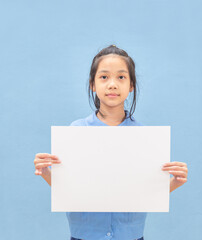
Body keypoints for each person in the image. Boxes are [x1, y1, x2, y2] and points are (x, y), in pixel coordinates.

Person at [33, 44, 188, 240]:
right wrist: (45, 172)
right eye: (104, 77)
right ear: (93, 84)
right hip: (84, 236)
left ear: (131, 85)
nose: (112, 84)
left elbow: (144, 193)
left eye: (121, 77)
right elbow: (70, 189)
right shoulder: (76, 132)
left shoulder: (144, 137)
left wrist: (175, 181)